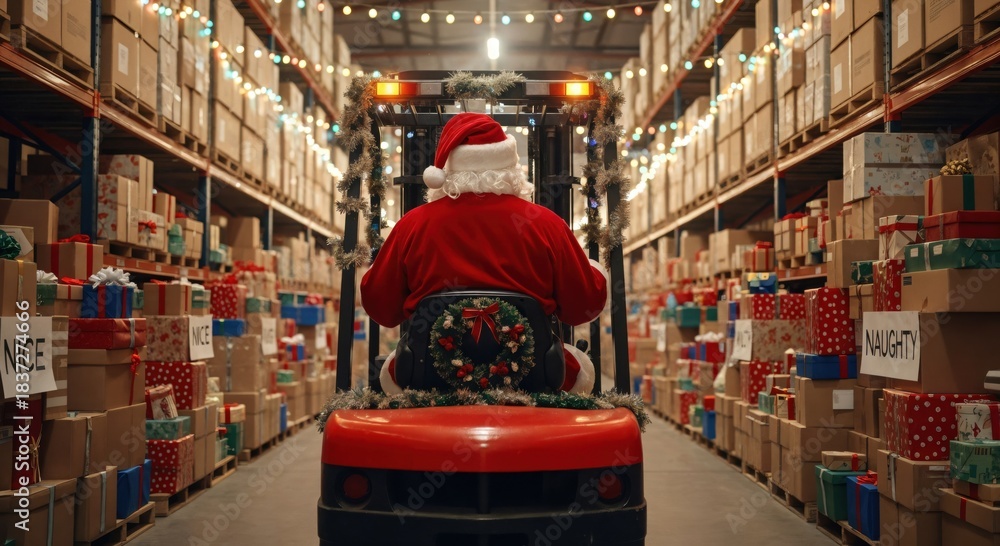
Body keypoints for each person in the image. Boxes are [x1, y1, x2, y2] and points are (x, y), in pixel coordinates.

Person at [360, 113, 608, 394]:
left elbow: (381, 307)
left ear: (448, 170)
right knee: (581, 367)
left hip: (428, 379)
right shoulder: (545, 224)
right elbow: (583, 305)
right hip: (533, 379)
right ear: (512, 167)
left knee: (391, 368)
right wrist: (593, 271)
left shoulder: (413, 225)